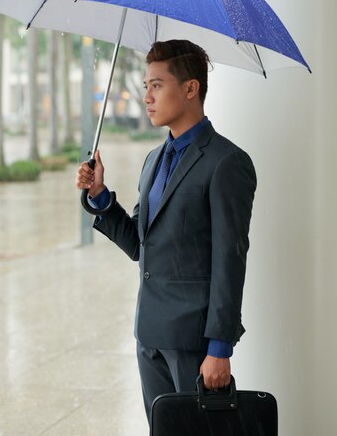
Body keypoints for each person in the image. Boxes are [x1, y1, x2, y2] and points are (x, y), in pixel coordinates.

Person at [75, 39, 257, 425]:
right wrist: (100, 197)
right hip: (150, 335)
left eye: (157, 85)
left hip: (195, 342)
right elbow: (142, 244)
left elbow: (230, 259)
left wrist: (220, 346)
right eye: (145, 86)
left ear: (190, 88)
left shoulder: (227, 163)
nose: (147, 97)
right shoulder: (154, 160)